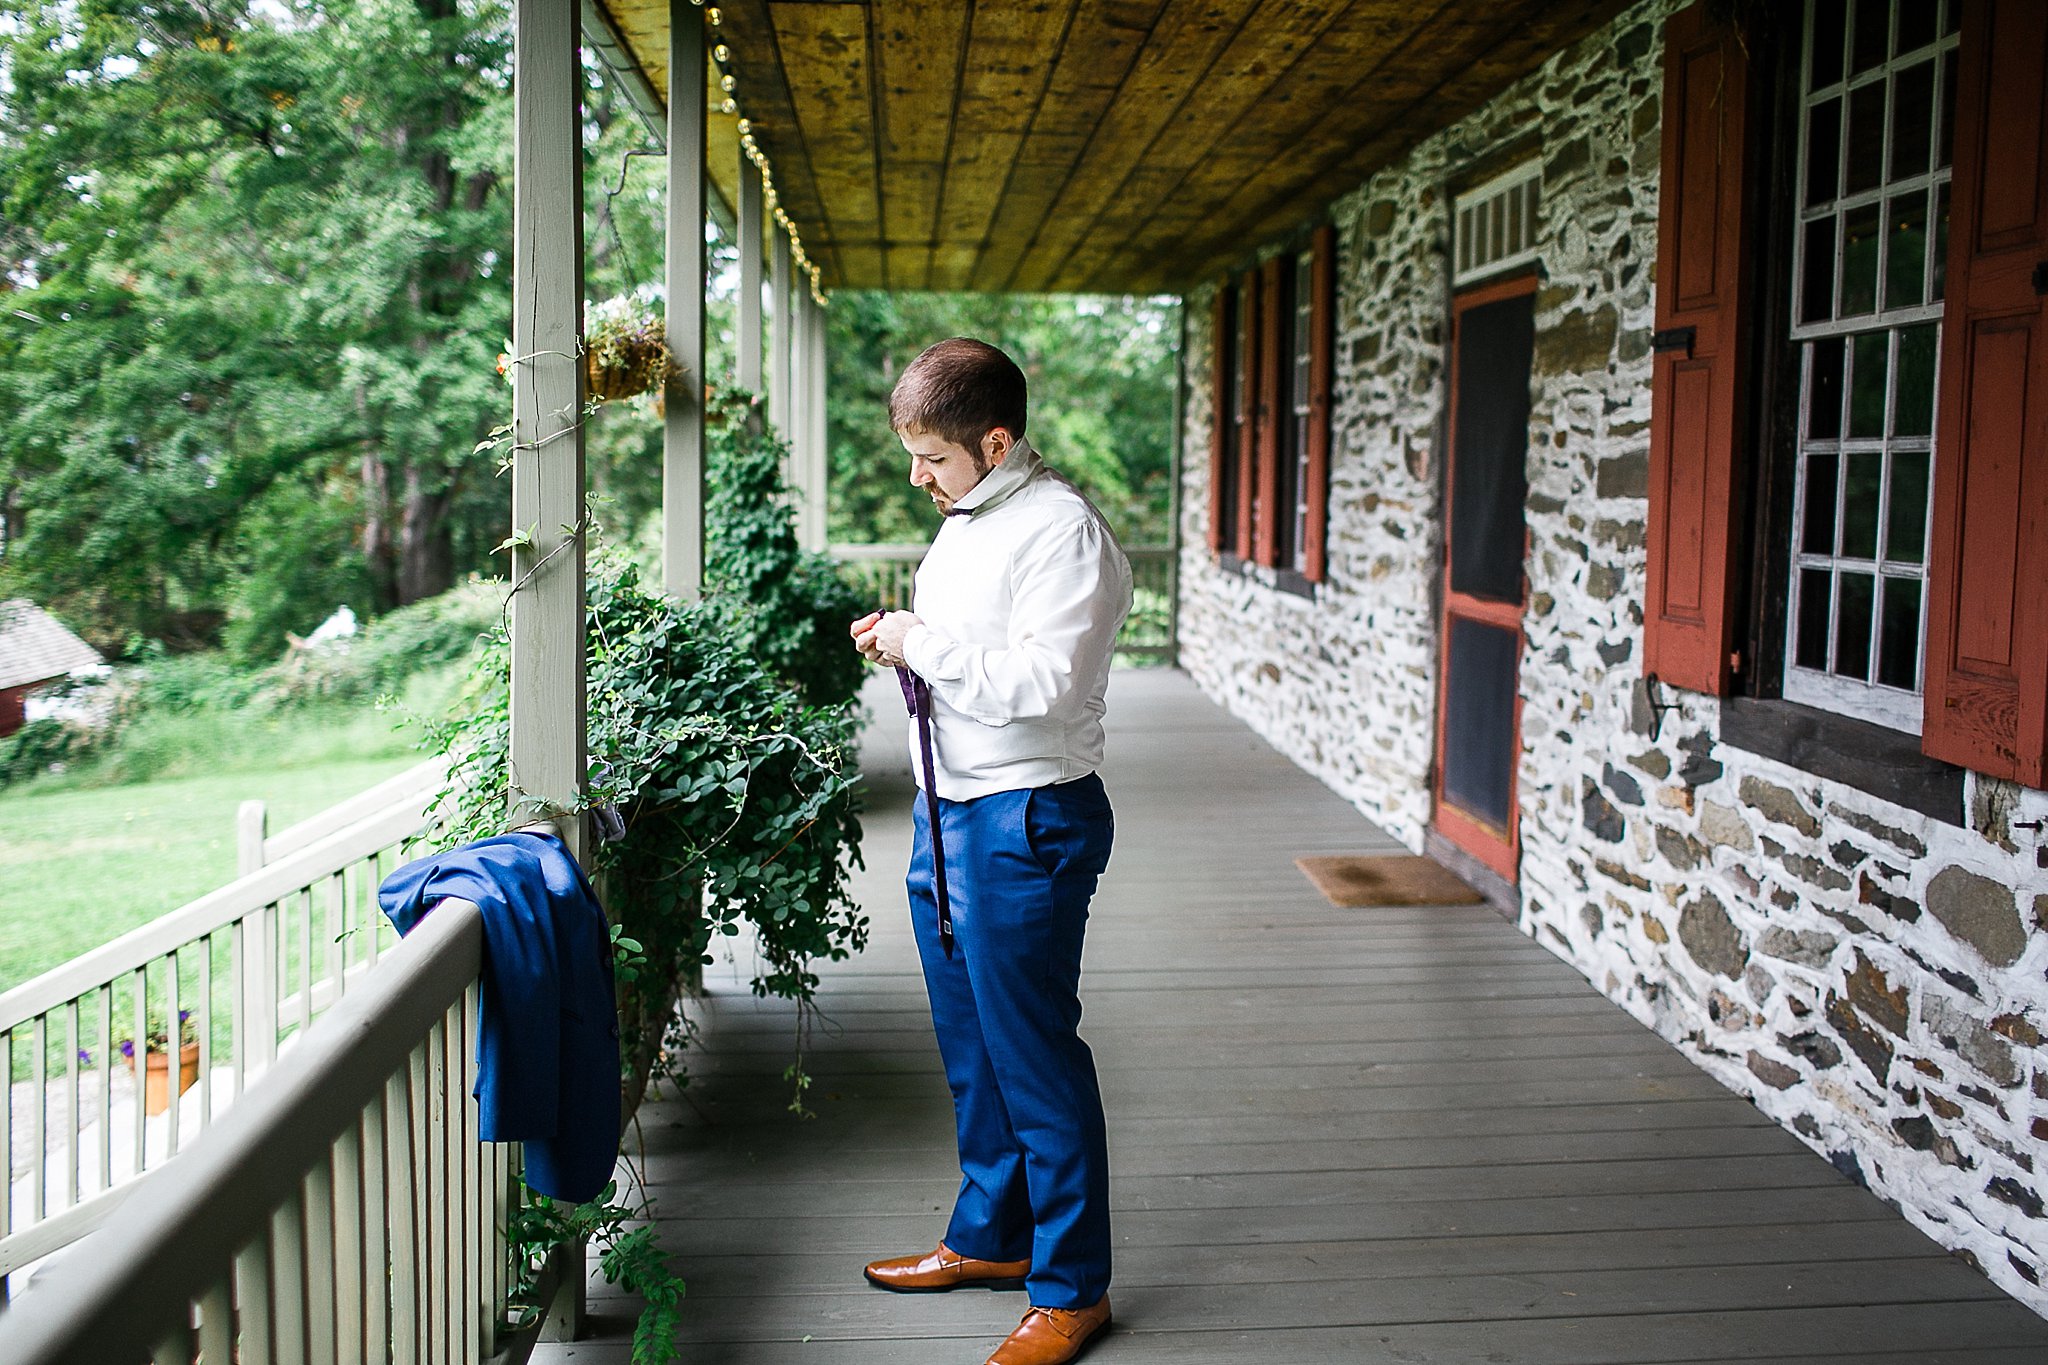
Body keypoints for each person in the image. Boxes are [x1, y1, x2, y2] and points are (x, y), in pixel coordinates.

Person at [851, 337, 1132, 1365]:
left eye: (930, 458)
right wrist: (907, 631)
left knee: (1034, 1058)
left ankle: (1070, 1288)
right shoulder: (971, 519)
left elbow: (1040, 686)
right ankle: (990, 1240)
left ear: (995, 441)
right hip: (947, 810)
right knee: (973, 1054)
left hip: (1022, 820)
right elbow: (970, 652)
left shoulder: (1062, 534)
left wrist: (918, 641)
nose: (915, 476)